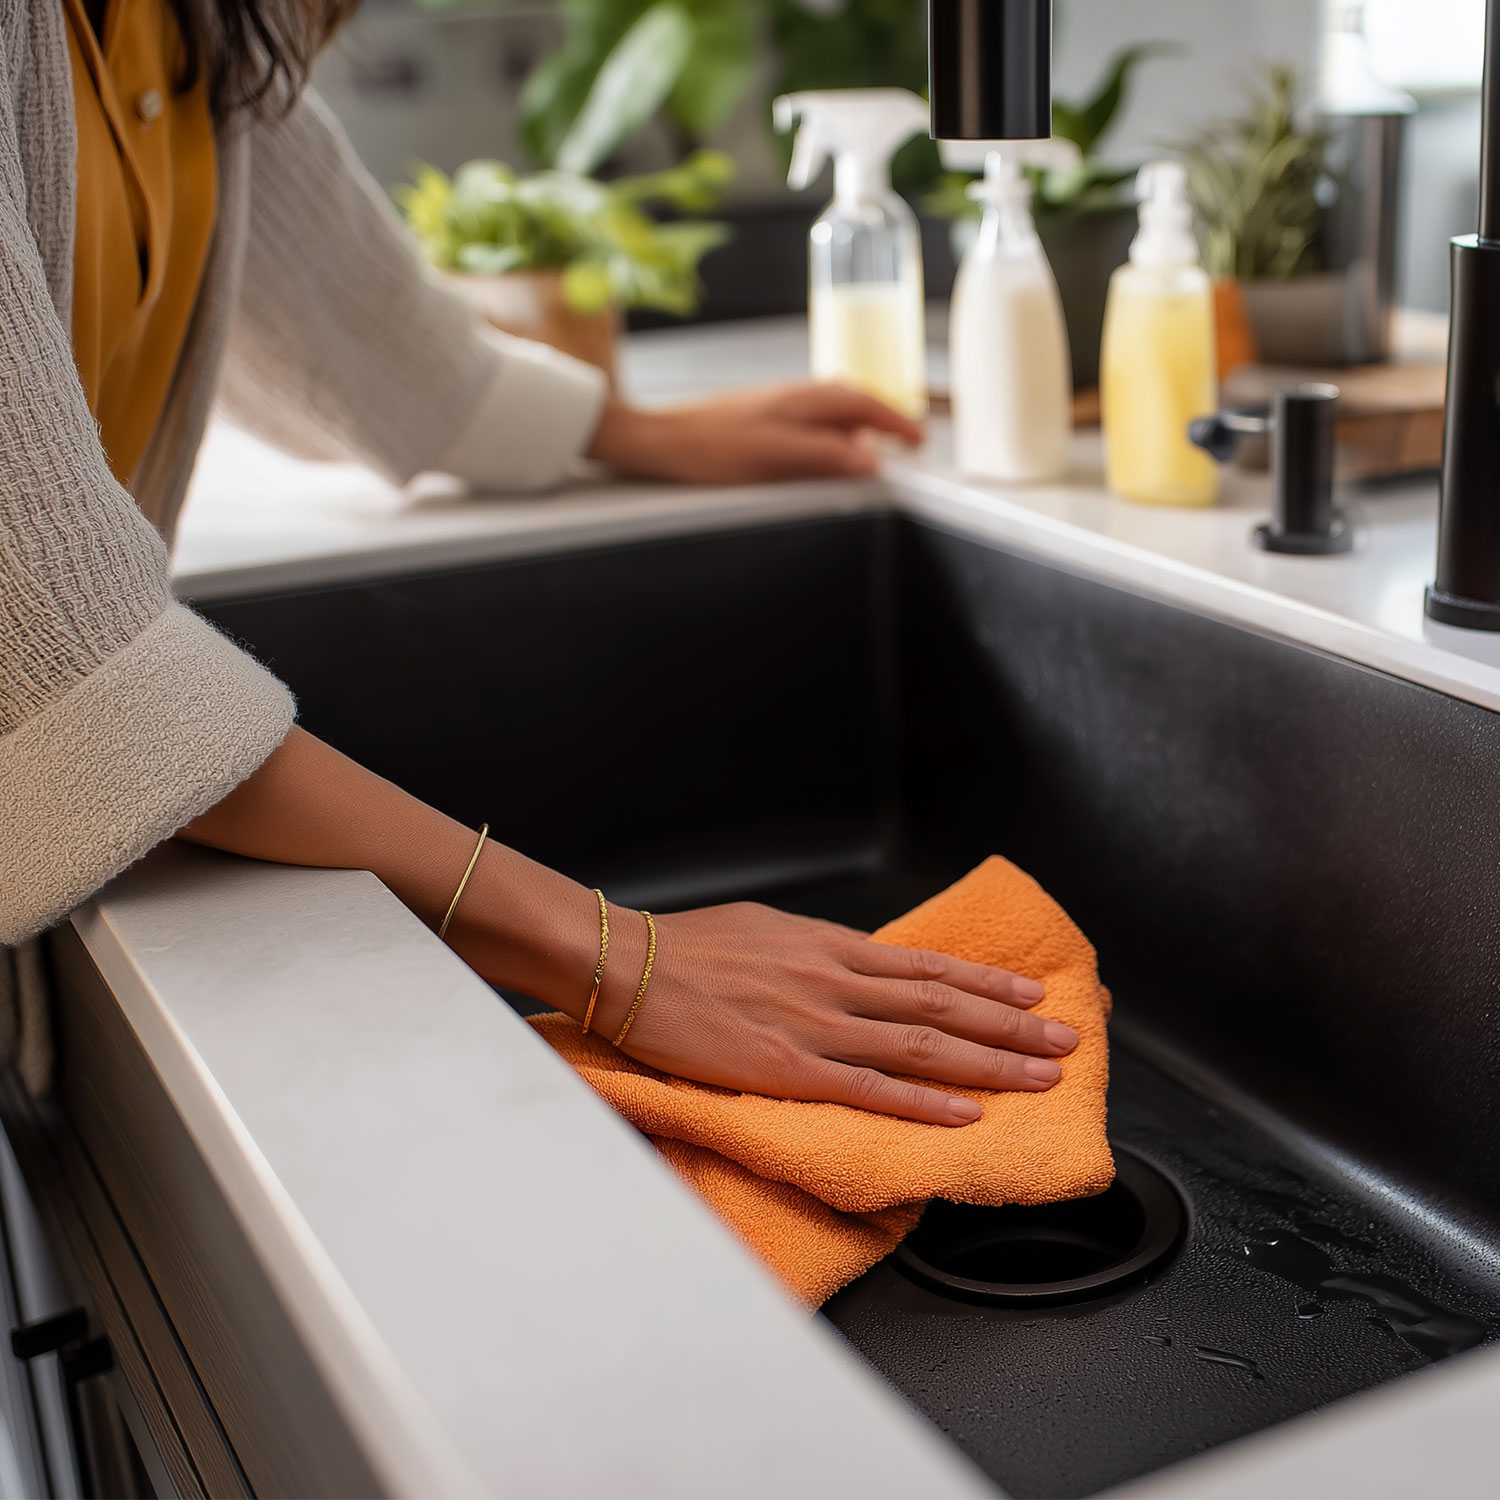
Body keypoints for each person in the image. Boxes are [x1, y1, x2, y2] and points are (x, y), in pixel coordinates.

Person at [0, 0, 1078, 1122]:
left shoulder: (193, 20)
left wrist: (634, 432)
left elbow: (345, 308)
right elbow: (65, 663)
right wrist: (618, 957)